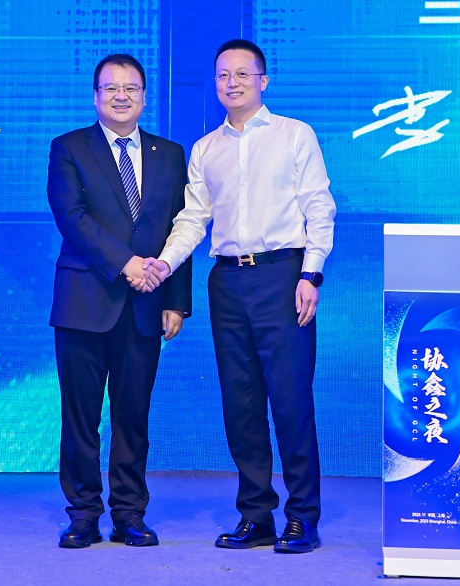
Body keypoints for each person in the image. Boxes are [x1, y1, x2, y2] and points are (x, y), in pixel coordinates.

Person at [139, 39, 335, 554]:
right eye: (223, 75)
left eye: (243, 74)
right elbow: (193, 219)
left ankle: (303, 518)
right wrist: (164, 263)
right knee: (240, 404)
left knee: (290, 401)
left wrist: (311, 274)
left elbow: (319, 207)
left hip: (283, 276)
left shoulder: (294, 135)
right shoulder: (206, 148)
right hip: (227, 281)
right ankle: (256, 515)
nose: (233, 83)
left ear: (263, 80)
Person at [47, 53, 192, 549]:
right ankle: (83, 514)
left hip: (147, 305)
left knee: (133, 416)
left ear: (145, 96)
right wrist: (127, 263)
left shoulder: (169, 154)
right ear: (95, 96)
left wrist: (176, 300)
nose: (121, 96)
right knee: (81, 417)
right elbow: (72, 218)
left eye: (131, 87)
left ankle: (129, 513)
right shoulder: (69, 147)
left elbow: (180, 228)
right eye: (111, 88)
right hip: (83, 302)